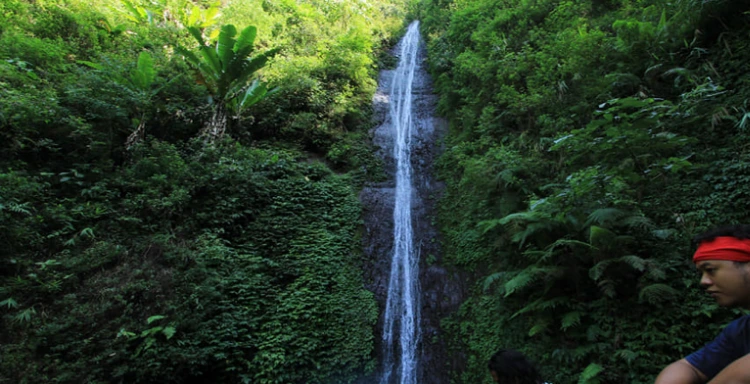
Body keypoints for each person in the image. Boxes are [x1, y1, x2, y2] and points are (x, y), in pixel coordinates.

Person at [654, 225, 750, 384]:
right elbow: (690, 367)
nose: (703, 281)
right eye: (702, 273)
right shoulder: (740, 331)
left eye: (711, 270)